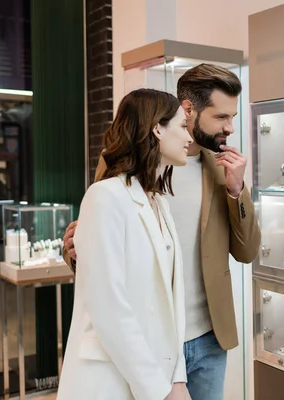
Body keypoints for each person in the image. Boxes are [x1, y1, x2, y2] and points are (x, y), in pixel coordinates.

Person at [62, 64, 261, 400]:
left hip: (209, 337)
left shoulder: (222, 171)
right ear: (188, 110)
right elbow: (99, 261)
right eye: (221, 116)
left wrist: (236, 190)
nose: (230, 128)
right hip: (144, 337)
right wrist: (75, 252)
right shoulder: (120, 179)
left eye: (233, 117)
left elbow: (247, 251)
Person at [57, 88, 192, 400]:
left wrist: (177, 379)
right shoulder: (104, 197)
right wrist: (159, 390)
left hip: (156, 376)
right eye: (182, 126)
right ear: (157, 128)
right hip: (110, 381)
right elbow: (109, 307)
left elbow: (170, 305)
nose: (189, 137)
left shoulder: (159, 202)